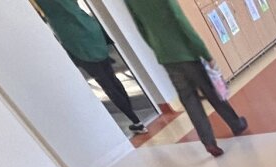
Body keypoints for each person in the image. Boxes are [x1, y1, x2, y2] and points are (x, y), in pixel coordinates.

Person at [124, 0, 247, 157]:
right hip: (186, 52)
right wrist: (204, 52)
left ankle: (208, 142)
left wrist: (158, 48)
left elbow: (141, 28)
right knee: (211, 92)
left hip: (166, 56)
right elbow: (180, 20)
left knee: (189, 100)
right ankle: (236, 124)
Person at [36, 0, 147, 133]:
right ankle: (136, 120)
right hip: (88, 28)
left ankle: (136, 121)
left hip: (74, 38)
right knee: (111, 78)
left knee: (106, 83)